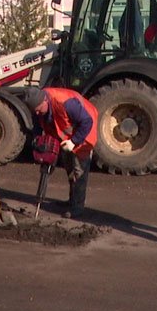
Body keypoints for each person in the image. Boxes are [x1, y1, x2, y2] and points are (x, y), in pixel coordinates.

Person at [22, 87, 97, 219]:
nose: (38, 113)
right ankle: (72, 200)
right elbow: (37, 125)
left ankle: (77, 207)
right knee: (69, 168)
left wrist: (74, 142)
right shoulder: (37, 107)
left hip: (84, 133)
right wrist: (38, 140)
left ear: (45, 100)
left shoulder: (66, 103)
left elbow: (87, 121)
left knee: (79, 171)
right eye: (35, 111)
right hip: (66, 135)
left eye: (39, 109)